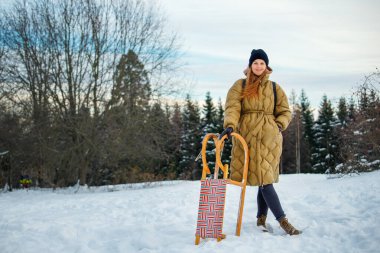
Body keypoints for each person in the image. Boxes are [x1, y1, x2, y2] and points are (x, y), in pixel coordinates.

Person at [220, 49, 300, 235]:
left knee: (265, 179)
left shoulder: (274, 87)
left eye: (262, 63)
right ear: (250, 65)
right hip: (246, 136)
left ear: (267, 66)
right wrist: (230, 125)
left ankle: (277, 220)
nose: (258, 66)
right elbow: (232, 107)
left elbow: (285, 111)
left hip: (268, 138)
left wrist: (278, 125)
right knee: (262, 179)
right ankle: (266, 220)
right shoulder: (239, 85)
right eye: (255, 63)